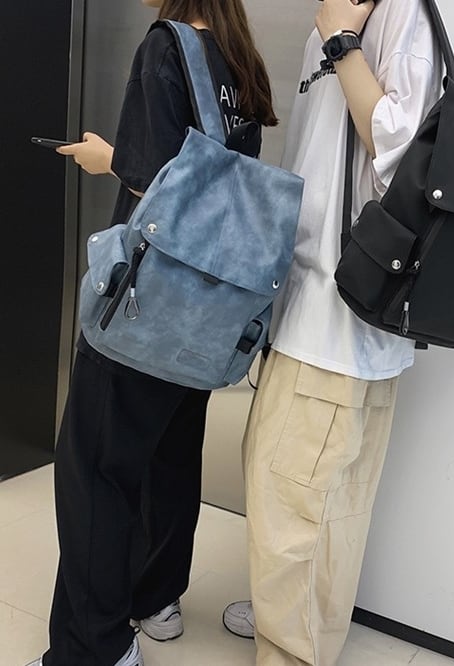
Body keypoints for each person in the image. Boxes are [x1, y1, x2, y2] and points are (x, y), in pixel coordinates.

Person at [29, 1, 277, 665]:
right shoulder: (238, 57)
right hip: (209, 312)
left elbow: (156, 189)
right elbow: (223, 187)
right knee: (169, 455)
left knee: (94, 474)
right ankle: (155, 598)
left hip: (148, 309)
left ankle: (96, 648)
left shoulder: (166, 47)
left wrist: (106, 158)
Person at [222, 0, 444, 664]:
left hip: (336, 321)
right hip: (323, 313)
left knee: (288, 502)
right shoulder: (339, 14)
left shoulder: (395, 15)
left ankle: (290, 650)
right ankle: (304, 628)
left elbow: (404, 149)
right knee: (324, 506)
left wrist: (343, 41)